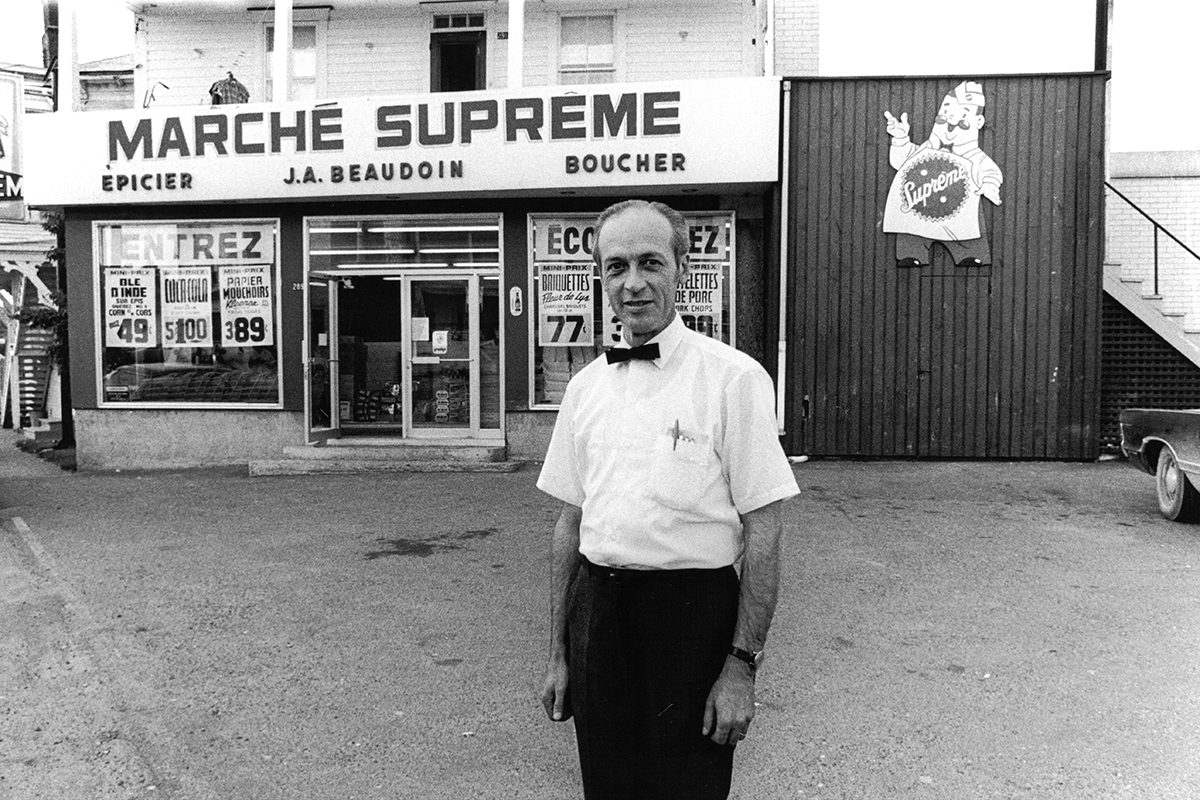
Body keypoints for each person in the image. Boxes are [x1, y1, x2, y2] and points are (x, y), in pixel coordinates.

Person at [537, 199, 800, 799]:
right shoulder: (584, 388)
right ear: (600, 277)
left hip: (692, 624)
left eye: (650, 262)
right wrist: (558, 653)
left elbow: (766, 527)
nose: (633, 284)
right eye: (616, 266)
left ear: (681, 267)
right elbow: (568, 521)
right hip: (598, 618)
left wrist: (742, 666)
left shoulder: (733, 380)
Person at [883, 80, 1003, 267]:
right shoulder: (925, 149)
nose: (950, 123)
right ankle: (911, 254)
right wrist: (900, 140)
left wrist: (989, 184)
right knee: (912, 231)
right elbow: (901, 161)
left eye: (961, 118)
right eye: (945, 116)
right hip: (920, 208)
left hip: (958, 213)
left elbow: (989, 170)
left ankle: (969, 255)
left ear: (978, 122)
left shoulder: (974, 156)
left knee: (967, 232)